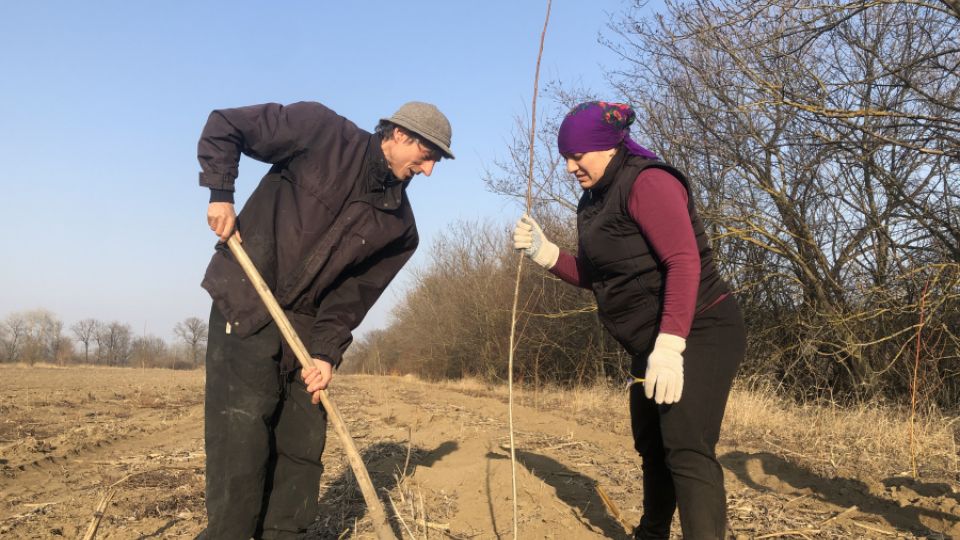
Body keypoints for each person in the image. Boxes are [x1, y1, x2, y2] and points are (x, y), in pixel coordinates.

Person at [195, 100, 454, 539]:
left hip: (306, 331)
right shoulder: (321, 132)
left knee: (300, 447)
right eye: (427, 157)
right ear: (401, 136)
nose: (428, 171)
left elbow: (351, 299)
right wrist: (221, 193)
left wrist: (326, 353)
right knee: (241, 441)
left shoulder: (401, 230)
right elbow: (226, 126)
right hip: (246, 297)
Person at [513, 101, 745, 539]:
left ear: (605, 147)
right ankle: (651, 533)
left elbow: (684, 262)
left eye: (576, 155)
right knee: (652, 447)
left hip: (700, 327)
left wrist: (672, 346)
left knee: (687, 447)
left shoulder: (649, 181)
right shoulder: (594, 199)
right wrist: (546, 254)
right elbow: (599, 276)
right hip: (651, 340)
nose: (568, 166)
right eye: (564, 156)